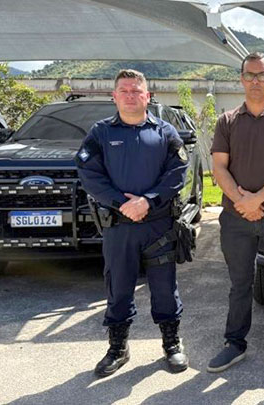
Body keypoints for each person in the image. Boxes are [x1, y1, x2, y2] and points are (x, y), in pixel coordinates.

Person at [76, 69, 190, 377]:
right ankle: (118, 348)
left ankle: (171, 344)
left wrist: (147, 201)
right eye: (124, 91)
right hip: (119, 225)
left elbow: (178, 172)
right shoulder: (101, 133)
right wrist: (121, 203)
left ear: (147, 96)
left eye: (136, 91)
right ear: (114, 96)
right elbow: (89, 173)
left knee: (165, 287)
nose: (130, 96)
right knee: (119, 286)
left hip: (159, 225)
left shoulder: (164, 132)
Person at [208, 52, 264, 374]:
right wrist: (241, 202)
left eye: (262, 75)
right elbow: (219, 167)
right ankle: (234, 344)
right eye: (250, 75)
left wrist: (257, 199)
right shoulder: (227, 121)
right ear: (241, 79)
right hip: (236, 218)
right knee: (240, 283)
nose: (256, 81)